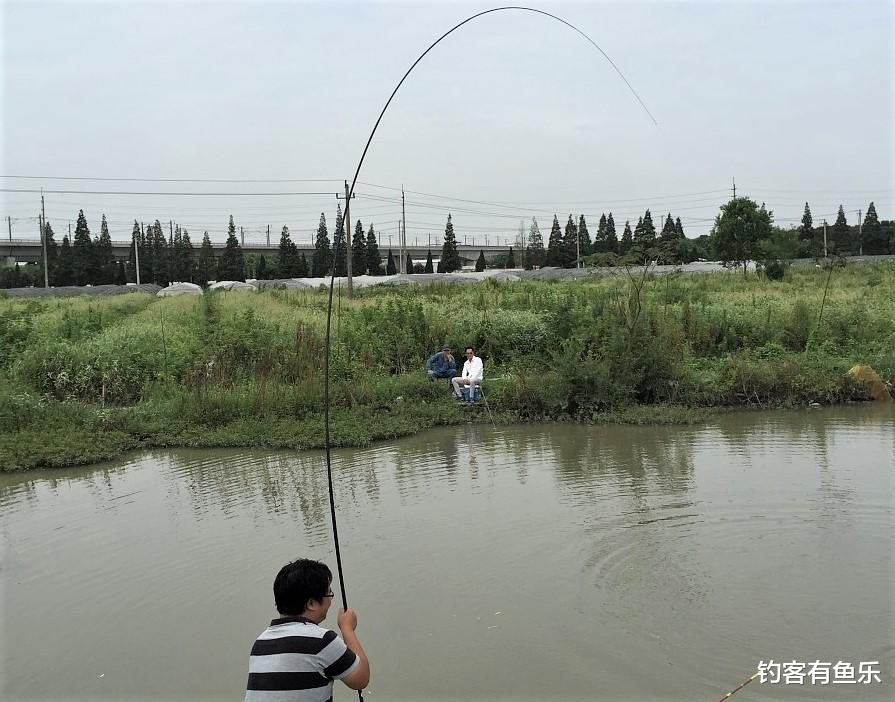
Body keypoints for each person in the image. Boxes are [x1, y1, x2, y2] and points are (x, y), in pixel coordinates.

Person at [245, 559, 370, 701]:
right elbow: (361, 679)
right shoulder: (321, 640)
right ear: (311, 603)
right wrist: (347, 628)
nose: (330, 600)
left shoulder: (260, 643)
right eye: (329, 594)